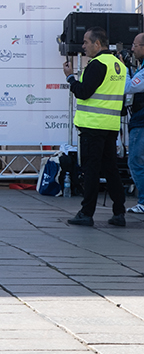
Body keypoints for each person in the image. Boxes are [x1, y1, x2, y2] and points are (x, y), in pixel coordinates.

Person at [63, 27, 127, 226]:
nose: (83, 46)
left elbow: (83, 92)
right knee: (110, 169)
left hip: (93, 126)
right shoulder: (119, 65)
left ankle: (86, 212)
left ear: (97, 44)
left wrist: (70, 78)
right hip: (110, 125)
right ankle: (119, 211)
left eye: (86, 42)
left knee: (91, 169)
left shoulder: (98, 64)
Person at [125, 33, 144, 215]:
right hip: (139, 118)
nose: (132, 49)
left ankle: (143, 201)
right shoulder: (141, 68)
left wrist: (122, 69)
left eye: (135, 45)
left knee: (136, 162)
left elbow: (130, 87)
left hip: (141, 121)